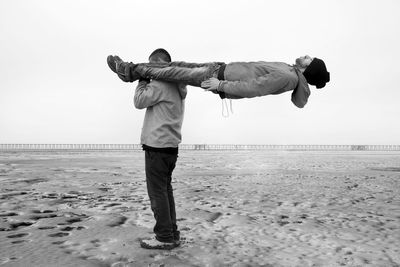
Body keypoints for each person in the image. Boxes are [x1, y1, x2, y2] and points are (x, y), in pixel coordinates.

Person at [107, 54, 330, 108]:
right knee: (174, 67)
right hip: (219, 69)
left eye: (310, 58)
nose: (306, 55)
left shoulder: (288, 77)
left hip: (216, 77)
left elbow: (254, 88)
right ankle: (131, 69)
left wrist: (220, 85)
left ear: (307, 67)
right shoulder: (289, 71)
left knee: (169, 72)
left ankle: (128, 71)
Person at [130, 48, 186, 250]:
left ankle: (164, 237)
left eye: (151, 64)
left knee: (157, 194)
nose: (149, 68)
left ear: (160, 65)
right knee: (165, 191)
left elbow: (139, 101)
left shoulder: (161, 83)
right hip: (170, 147)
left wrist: (142, 80)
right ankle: (172, 234)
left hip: (157, 146)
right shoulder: (179, 85)